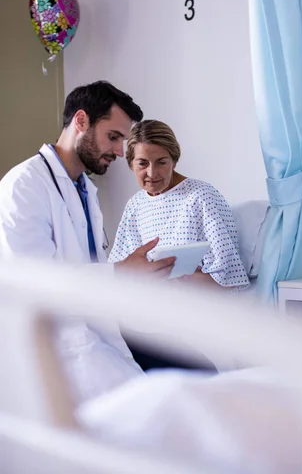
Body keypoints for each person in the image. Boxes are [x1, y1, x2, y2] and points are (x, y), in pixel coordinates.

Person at [0, 81, 177, 403]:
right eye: (113, 136)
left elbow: (88, 272)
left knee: (192, 368)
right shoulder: (22, 187)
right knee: (167, 398)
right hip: (60, 345)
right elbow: (34, 285)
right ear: (81, 121)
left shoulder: (83, 189)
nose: (120, 151)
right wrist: (120, 272)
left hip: (97, 328)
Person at [109, 120, 250, 291]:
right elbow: (120, 273)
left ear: (174, 161)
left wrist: (180, 279)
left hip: (193, 305)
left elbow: (230, 279)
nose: (151, 173)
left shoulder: (202, 197)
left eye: (161, 162)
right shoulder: (135, 205)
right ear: (131, 164)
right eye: (143, 163)